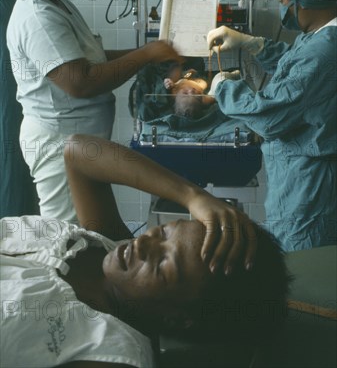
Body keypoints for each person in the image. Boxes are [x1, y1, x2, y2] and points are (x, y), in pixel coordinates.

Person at [1, 134, 290, 368]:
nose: (142, 244)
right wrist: (193, 196)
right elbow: (79, 151)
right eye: (163, 232)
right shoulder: (104, 244)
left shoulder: (110, 350)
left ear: (177, 317)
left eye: (163, 263)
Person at [6, 0, 181, 224]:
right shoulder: (37, 18)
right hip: (57, 144)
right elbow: (81, 81)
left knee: (92, 230)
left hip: (82, 145)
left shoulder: (57, 2)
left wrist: (150, 53)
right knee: (70, 236)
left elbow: (92, 60)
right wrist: (147, 55)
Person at [207, 0, 337, 252]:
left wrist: (223, 88)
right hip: (301, 181)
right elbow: (297, 66)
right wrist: (254, 44)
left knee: (302, 275)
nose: (283, 9)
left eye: (282, 1)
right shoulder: (323, 34)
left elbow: (270, 116)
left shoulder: (325, 51)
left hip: (309, 193)